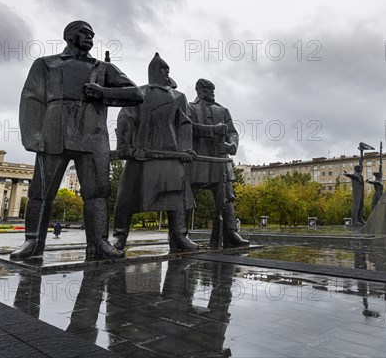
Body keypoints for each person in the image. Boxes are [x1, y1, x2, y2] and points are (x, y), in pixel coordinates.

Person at [11, 21, 143, 260]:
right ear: (69, 36)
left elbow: (136, 94)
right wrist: (32, 135)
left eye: (93, 34)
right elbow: (31, 99)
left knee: (98, 192)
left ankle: (99, 242)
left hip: (92, 136)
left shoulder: (103, 68)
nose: (90, 37)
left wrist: (104, 92)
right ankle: (32, 242)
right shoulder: (46, 64)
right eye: (85, 33)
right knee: (41, 192)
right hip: (54, 134)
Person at [111, 54, 227, 252]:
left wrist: (186, 149)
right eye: (164, 69)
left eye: (168, 70)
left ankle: (180, 236)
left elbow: (184, 124)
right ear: (155, 71)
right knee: (128, 197)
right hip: (142, 155)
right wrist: (125, 148)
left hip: (172, 156)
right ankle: (120, 237)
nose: (167, 73)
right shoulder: (139, 93)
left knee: (177, 198)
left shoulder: (178, 97)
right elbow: (125, 120)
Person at [187, 79, 249, 248]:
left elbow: (233, 133)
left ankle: (230, 233)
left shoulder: (223, 110)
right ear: (199, 90)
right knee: (187, 197)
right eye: (208, 89)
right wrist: (213, 130)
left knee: (228, 198)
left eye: (213, 89)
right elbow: (188, 129)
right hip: (198, 161)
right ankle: (181, 235)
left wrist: (231, 145)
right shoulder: (189, 108)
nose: (212, 92)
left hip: (221, 162)